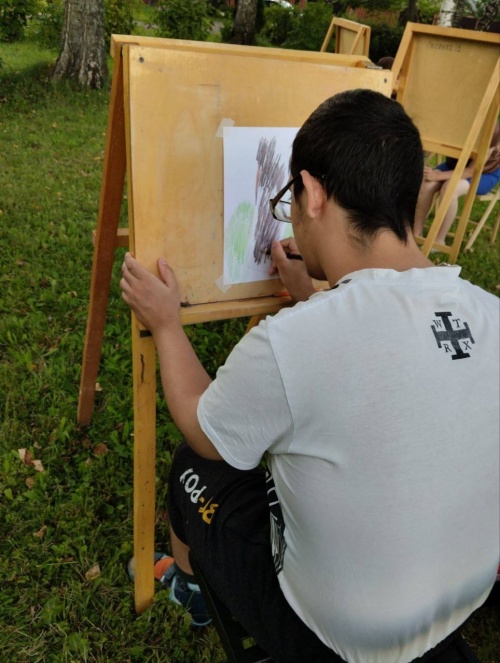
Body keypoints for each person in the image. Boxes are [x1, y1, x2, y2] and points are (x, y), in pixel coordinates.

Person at [120, 90, 499, 663]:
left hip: (344, 636)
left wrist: (167, 325)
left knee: (193, 466)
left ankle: (191, 587)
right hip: (462, 597)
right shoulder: (490, 312)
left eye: (288, 200)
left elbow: (205, 428)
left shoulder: (294, 341)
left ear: (313, 193)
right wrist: (315, 299)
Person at [414, 120, 500, 245]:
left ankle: (439, 240)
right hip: (454, 166)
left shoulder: (491, 129)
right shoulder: (454, 117)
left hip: (483, 172)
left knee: (451, 188)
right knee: (426, 184)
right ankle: (416, 234)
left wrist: (438, 176)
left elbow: (471, 171)